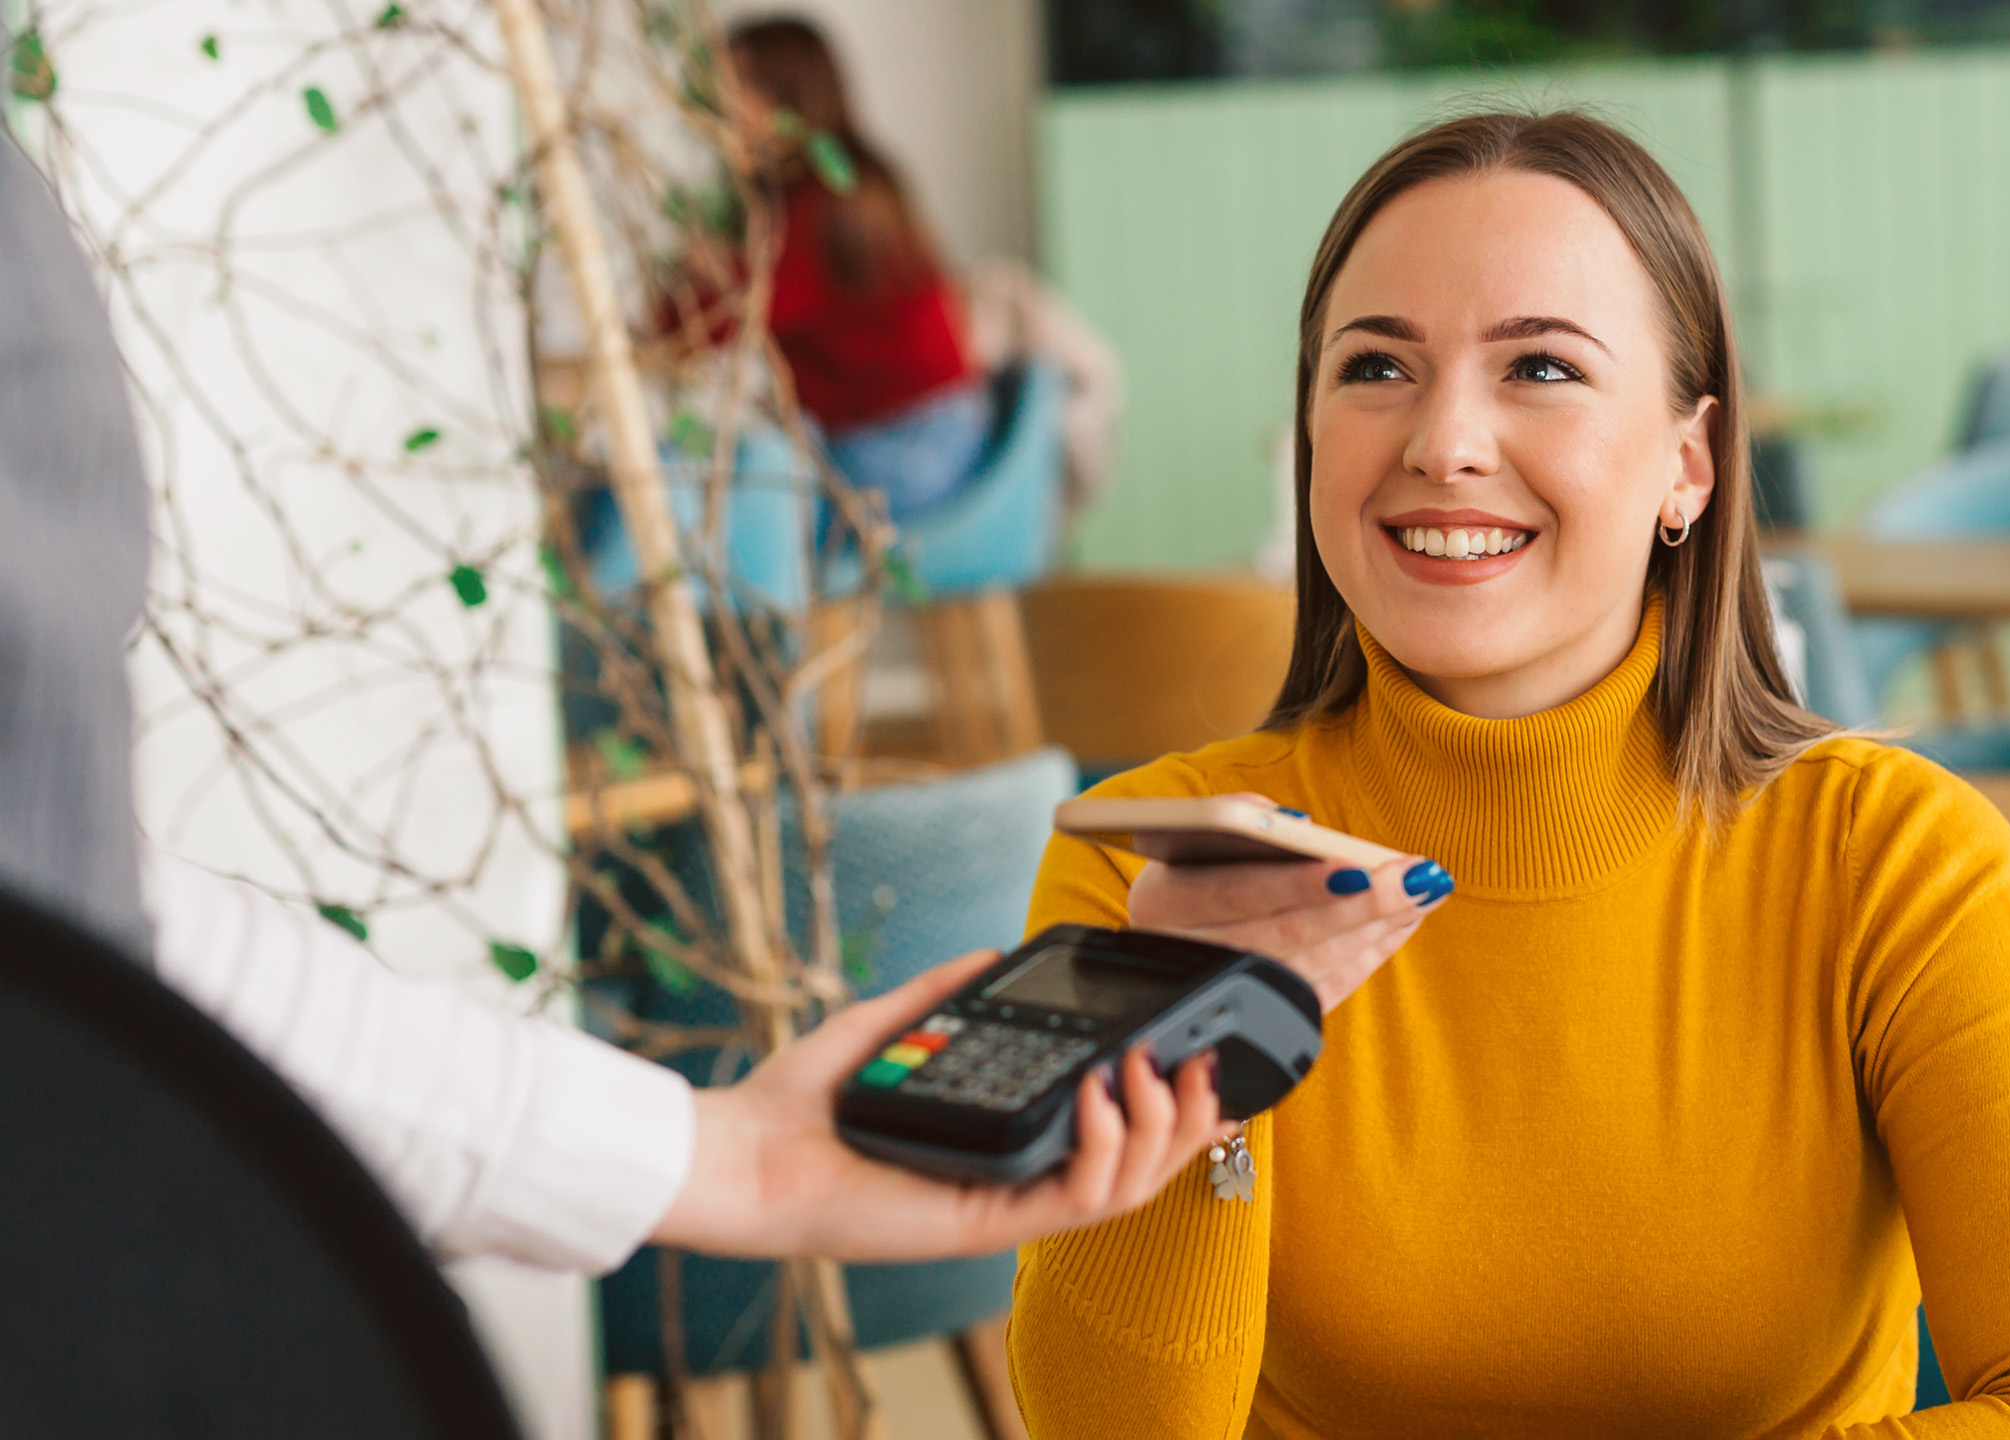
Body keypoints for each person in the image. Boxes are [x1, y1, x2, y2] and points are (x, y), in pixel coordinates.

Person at [1005, 112, 2010, 1436]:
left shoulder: (1895, 863)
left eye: (1542, 369)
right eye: (1376, 368)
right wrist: (1195, 1070)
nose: (1443, 440)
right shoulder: (1152, 869)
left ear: (1687, 464)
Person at [0, 126, 1227, 1277]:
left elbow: (81, 913)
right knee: (739, 464)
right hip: (947, 471)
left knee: (733, 466)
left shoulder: (807, 205)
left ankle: (701, 666)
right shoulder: (837, 193)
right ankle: (738, 694)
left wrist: (724, 1158)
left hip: (894, 472)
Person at [669, 17, 994, 529]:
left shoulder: (827, 203)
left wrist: (696, 275)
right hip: (931, 427)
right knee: (741, 484)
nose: (722, 110)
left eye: (738, 89)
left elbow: (710, 327)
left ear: (787, 97)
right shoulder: (844, 182)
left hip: (912, 442)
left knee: (742, 512)